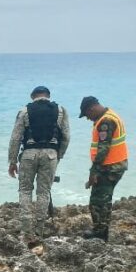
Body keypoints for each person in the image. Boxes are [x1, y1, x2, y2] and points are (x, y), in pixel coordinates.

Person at [8, 85, 70, 248]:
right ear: (48, 96)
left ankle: (27, 231)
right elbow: (66, 136)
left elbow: (15, 138)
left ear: (32, 96)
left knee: (25, 190)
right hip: (50, 155)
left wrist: (12, 161)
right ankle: (39, 231)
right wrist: (59, 155)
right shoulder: (61, 110)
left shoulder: (24, 111)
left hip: (28, 155)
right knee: (44, 191)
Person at [79, 95, 128, 241]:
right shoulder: (111, 115)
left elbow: (103, 149)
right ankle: (102, 231)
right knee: (105, 199)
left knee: (98, 200)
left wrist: (94, 171)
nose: (88, 118)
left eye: (87, 114)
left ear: (92, 108)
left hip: (109, 167)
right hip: (117, 164)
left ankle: (100, 233)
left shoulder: (105, 121)